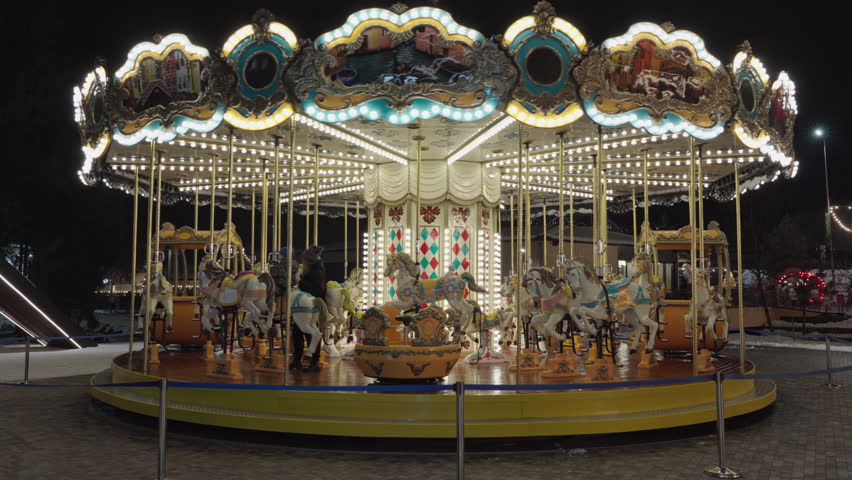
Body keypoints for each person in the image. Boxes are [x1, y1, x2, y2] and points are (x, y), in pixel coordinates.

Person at [291, 245, 327, 372]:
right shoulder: (316, 269)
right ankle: (298, 359)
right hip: (307, 304)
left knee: (310, 333)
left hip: (310, 304)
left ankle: (313, 361)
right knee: (298, 333)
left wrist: (300, 281)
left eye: (304, 261)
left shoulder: (316, 271)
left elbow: (317, 289)